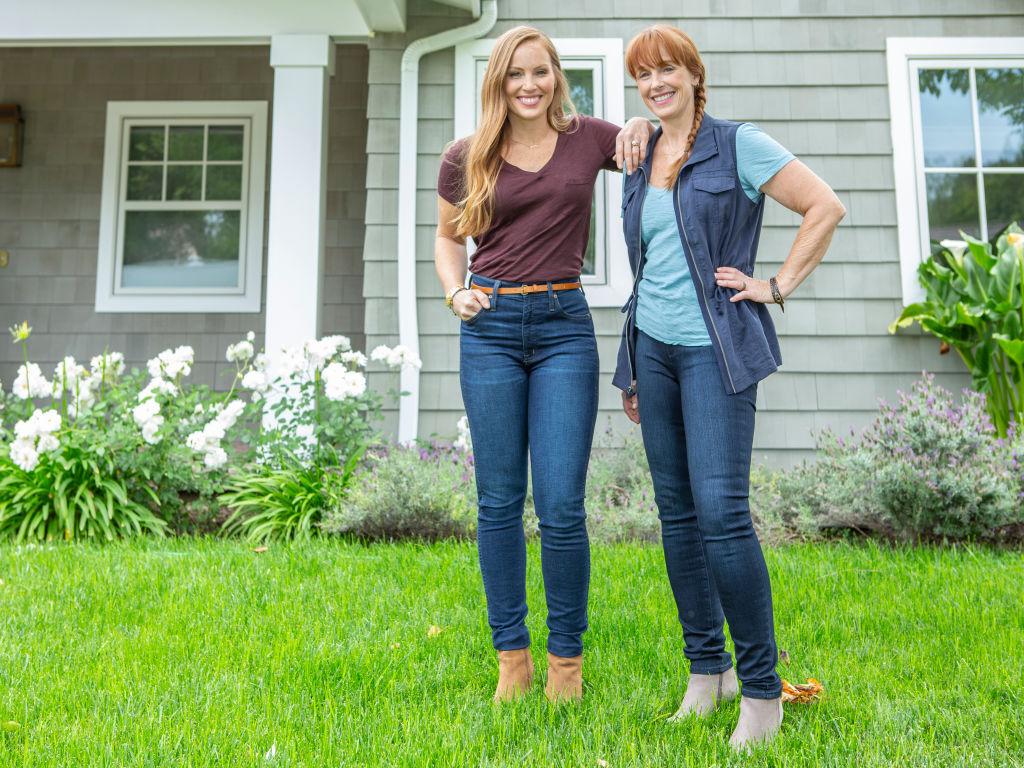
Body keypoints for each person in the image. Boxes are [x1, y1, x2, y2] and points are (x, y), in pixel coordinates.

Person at [613, 25, 846, 749]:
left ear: (693, 74)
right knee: (677, 516)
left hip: (716, 354)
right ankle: (704, 673)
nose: (656, 84)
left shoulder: (738, 144)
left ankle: (761, 690)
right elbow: (648, 265)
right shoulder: (638, 151)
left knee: (721, 514)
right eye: (643, 76)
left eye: (668, 71)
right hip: (652, 349)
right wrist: (629, 367)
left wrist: (774, 286)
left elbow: (824, 206)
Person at [434, 25, 651, 703]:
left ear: (557, 77)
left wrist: (643, 119)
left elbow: (656, 142)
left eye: (541, 72)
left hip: (563, 328)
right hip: (491, 327)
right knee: (498, 503)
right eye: (515, 75)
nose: (529, 85)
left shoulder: (587, 137)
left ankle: (566, 665)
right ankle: (512, 661)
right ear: (497, 83)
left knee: (560, 505)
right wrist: (455, 291)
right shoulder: (466, 155)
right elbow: (447, 238)